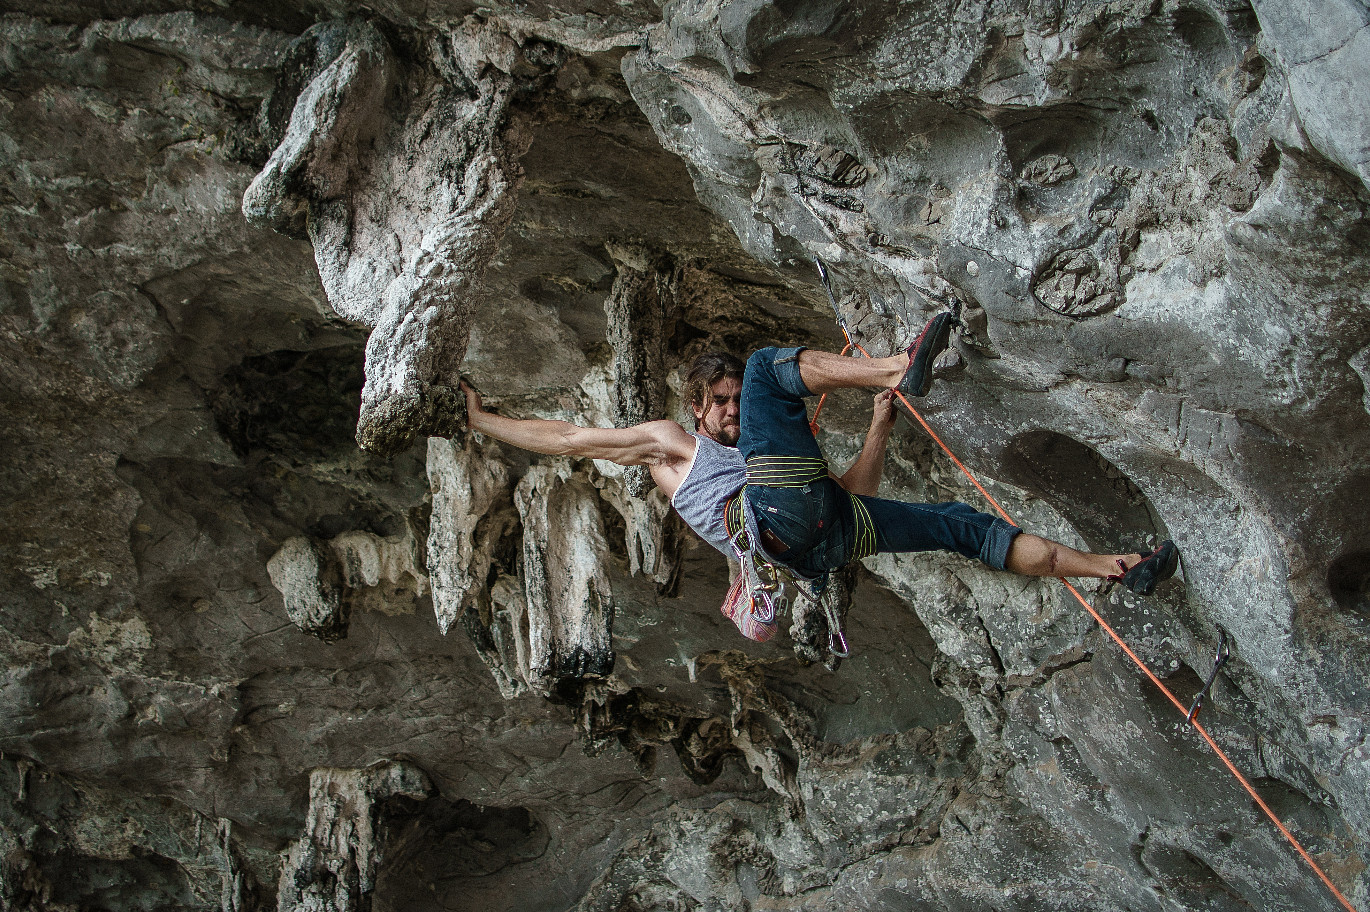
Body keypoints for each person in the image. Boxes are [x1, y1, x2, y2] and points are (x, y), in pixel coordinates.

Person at [459, 316, 1179, 635]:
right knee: (767, 367)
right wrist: (485, 421)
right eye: (720, 403)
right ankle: (898, 364)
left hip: (821, 539)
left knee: (966, 528)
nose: (733, 411)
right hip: (779, 520)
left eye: (735, 402)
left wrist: (878, 427)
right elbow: (572, 438)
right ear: (696, 410)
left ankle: (1118, 568)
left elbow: (852, 500)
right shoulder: (671, 445)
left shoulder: (771, 468)